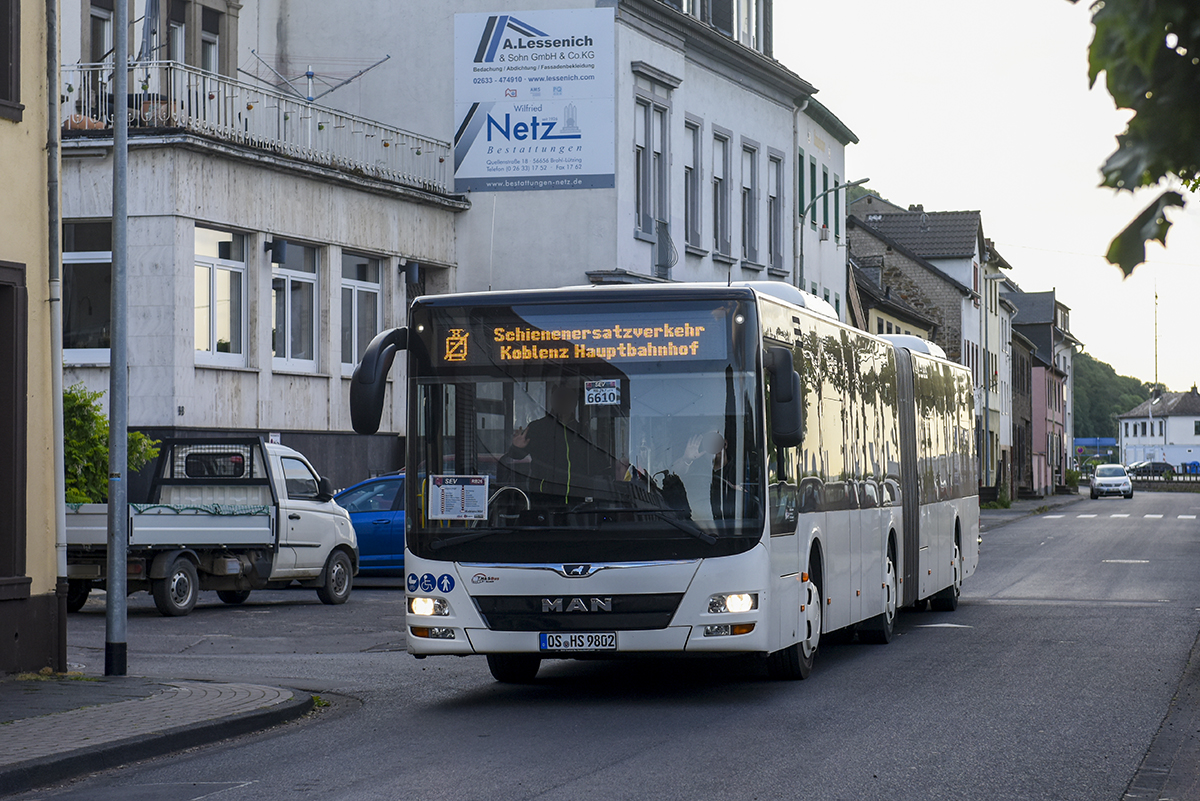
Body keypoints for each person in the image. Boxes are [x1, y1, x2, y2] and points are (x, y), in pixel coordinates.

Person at [506, 382, 610, 503]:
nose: (563, 401)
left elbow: (592, 463)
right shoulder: (537, 427)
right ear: (552, 401)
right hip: (543, 497)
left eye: (568, 398)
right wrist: (516, 446)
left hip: (578, 498)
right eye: (559, 397)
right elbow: (514, 456)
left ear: (575, 403)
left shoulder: (582, 430)